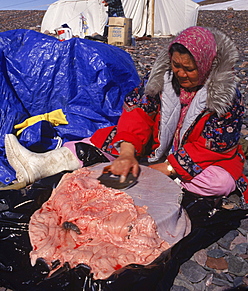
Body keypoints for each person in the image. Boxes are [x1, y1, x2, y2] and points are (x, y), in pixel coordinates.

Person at [4, 26, 248, 204]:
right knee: (101, 137)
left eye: (189, 68)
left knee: (220, 182)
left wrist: (165, 169)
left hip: (196, 159)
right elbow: (137, 113)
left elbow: (212, 147)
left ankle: (160, 182)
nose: (181, 74)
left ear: (206, 65)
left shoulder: (226, 98)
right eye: (176, 65)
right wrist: (128, 153)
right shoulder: (160, 81)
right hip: (155, 146)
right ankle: (41, 165)